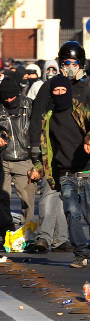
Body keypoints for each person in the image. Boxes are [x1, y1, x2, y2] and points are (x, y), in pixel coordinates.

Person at [30, 75, 90, 268]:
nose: (60, 94)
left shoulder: (80, 110)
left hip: (89, 170)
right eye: (56, 91)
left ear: (68, 92)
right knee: (72, 213)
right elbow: (48, 150)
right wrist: (38, 169)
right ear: (52, 93)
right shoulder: (49, 118)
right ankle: (81, 253)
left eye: (63, 91)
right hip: (66, 173)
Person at [30, 41, 90, 154]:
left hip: (79, 144)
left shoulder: (85, 89)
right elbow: (37, 115)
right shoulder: (49, 85)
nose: (71, 68)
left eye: (75, 63)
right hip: (54, 143)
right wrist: (35, 144)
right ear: (61, 64)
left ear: (81, 64)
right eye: (67, 63)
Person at [0, 79, 36, 231]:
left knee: (27, 200)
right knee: (2, 198)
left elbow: (38, 131)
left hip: (25, 158)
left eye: (11, 97)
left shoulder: (30, 105)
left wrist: (37, 161)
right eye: (5, 98)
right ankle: (5, 231)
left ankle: (27, 232)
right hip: (2, 160)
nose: (8, 100)